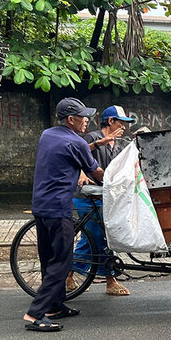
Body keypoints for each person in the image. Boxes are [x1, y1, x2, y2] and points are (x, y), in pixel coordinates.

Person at [23, 97, 103, 332]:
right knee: (62, 260)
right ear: (71, 120)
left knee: (49, 257)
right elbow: (95, 171)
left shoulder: (47, 134)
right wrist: (114, 181)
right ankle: (35, 314)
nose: (86, 120)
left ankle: (55, 305)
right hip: (58, 208)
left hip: (40, 206)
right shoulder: (76, 142)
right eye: (83, 117)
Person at [68, 105, 135, 296]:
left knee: (95, 236)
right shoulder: (92, 138)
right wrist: (81, 173)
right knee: (97, 236)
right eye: (121, 122)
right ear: (111, 121)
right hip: (85, 196)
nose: (124, 127)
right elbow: (75, 157)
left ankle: (68, 274)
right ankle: (109, 280)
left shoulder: (120, 145)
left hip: (105, 196)